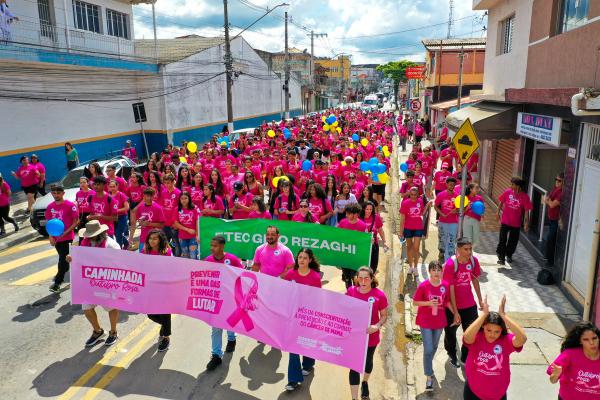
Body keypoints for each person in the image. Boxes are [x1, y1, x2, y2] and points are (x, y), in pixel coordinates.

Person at [68, 220, 121, 347]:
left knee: (111, 307)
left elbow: (119, 263)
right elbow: (76, 256)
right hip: (89, 282)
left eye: (92, 235)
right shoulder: (84, 243)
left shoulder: (111, 246)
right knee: (87, 308)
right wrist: (70, 258)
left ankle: (113, 332)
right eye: (88, 235)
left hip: (106, 282)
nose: (89, 238)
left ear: (100, 233)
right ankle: (98, 331)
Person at [463, 295, 527, 400]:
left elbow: (522, 338)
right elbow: (466, 337)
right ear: (483, 326)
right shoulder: (477, 337)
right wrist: (483, 315)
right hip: (473, 392)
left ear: (502, 330)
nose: (492, 335)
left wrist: (503, 315)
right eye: (489, 330)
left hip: (497, 394)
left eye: (497, 331)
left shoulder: (506, 341)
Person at [347, 267, 388, 400]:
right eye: (360, 278)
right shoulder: (351, 291)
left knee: (367, 362)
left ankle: (365, 381)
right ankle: (354, 398)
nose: (363, 281)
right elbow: (342, 307)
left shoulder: (379, 295)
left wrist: (377, 326)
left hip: (371, 336)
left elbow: (384, 316)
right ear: (357, 279)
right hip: (354, 336)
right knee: (354, 366)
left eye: (366, 278)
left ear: (371, 279)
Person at [284, 248, 323, 391]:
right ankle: (293, 379)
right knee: (292, 347)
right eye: (299, 257)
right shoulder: (290, 275)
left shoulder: (314, 277)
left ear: (310, 260)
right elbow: (285, 295)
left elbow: (317, 298)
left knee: (306, 343)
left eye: (305, 258)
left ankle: (308, 363)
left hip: (308, 317)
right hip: (293, 317)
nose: (301, 260)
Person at [204, 235, 244, 371]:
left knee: (229, 321)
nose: (212, 248)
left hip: (231, 299)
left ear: (222, 246)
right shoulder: (208, 260)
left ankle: (232, 338)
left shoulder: (232, 260)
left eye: (215, 246)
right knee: (216, 327)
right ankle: (216, 355)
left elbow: (242, 276)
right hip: (215, 299)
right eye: (211, 245)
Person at [443, 238, 483, 368]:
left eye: (470, 249)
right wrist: (455, 312)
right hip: (451, 306)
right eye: (466, 249)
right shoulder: (450, 264)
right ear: (458, 250)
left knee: (472, 333)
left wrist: (480, 300)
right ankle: (452, 354)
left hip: (469, 304)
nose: (469, 252)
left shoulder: (473, 261)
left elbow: (475, 279)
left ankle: (465, 357)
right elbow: (451, 289)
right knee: (450, 334)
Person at [413, 261, 452, 392]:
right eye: (433, 270)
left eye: (438, 270)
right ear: (429, 272)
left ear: (442, 272)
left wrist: (455, 313)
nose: (436, 272)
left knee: (434, 347)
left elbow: (446, 302)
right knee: (428, 349)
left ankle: (428, 362)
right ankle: (429, 377)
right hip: (425, 321)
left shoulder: (445, 285)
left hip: (439, 321)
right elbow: (415, 302)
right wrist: (428, 303)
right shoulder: (424, 286)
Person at [548, 321, 600, 400]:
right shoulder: (569, 354)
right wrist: (556, 374)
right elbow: (553, 380)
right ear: (580, 341)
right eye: (586, 339)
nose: (592, 343)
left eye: (594, 338)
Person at [45, 184, 80, 292]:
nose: (56, 195)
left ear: (63, 193)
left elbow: (76, 221)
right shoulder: (50, 207)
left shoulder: (70, 205)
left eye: (58, 193)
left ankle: (57, 283)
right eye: (54, 193)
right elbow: (49, 223)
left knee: (62, 260)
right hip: (56, 239)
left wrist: (65, 233)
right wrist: (50, 236)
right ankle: (76, 275)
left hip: (67, 238)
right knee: (64, 260)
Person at [142, 229, 173, 352]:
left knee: (165, 313)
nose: (151, 241)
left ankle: (166, 337)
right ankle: (165, 326)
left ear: (160, 240)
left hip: (164, 288)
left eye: (155, 238)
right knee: (151, 314)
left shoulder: (167, 252)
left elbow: (172, 268)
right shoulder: (145, 251)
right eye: (150, 238)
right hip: (151, 287)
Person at [496, 177, 532, 265]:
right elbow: (501, 202)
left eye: (513, 184)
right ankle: (501, 257)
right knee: (502, 239)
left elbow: (527, 211)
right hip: (505, 221)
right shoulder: (508, 192)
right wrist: (497, 213)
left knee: (513, 241)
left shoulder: (525, 197)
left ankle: (509, 255)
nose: (511, 186)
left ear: (518, 186)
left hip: (516, 223)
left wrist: (526, 223)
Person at [399, 186, 431, 275]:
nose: (413, 196)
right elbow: (402, 218)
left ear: (418, 195)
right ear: (409, 194)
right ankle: (410, 266)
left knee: (416, 248)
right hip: (408, 228)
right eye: (412, 194)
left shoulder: (420, 201)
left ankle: (416, 267)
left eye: (415, 195)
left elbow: (422, 213)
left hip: (418, 227)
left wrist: (427, 206)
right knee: (409, 247)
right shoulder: (405, 203)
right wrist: (401, 232)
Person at [337, 203, 367, 288]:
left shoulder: (362, 225)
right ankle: (349, 293)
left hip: (356, 258)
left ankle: (356, 294)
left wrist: (369, 241)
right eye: (346, 213)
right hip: (345, 256)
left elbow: (366, 241)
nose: (346, 215)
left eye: (348, 213)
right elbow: (336, 236)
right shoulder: (342, 223)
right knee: (347, 278)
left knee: (355, 277)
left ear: (355, 214)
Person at [129, 187, 165, 252]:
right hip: (143, 238)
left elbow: (162, 225)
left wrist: (149, 224)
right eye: (147, 196)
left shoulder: (158, 208)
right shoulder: (140, 207)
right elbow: (138, 221)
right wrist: (140, 223)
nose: (149, 198)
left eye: (150, 196)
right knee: (142, 259)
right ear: (144, 196)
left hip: (155, 240)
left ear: (153, 196)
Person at [434, 177, 459, 262]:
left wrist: (457, 210)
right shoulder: (441, 195)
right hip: (443, 222)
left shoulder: (457, 196)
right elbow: (435, 206)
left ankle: (450, 258)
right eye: (450, 184)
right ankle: (441, 253)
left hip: (454, 223)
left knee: (451, 239)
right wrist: (441, 214)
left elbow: (460, 209)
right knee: (442, 238)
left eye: (453, 185)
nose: (452, 186)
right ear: (446, 184)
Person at [361, 201, 386, 273]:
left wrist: (384, 240)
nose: (369, 211)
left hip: (374, 244)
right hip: (362, 245)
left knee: (373, 264)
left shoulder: (376, 217)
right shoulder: (359, 217)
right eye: (367, 209)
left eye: (370, 209)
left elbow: (380, 230)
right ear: (363, 209)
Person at [544, 173, 563, 267]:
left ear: (563, 182)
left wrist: (549, 201)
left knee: (551, 239)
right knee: (550, 239)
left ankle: (550, 261)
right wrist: (549, 201)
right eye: (556, 179)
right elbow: (546, 199)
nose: (556, 181)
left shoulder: (561, 193)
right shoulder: (555, 189)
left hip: (556, 220)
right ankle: (547, 258)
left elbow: (551, 204)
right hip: (551, 219)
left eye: (559, 180)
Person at [160, 174, 181, 257]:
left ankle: (177, 260)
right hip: (165, 223)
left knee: (177, 244)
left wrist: (177, 223)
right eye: (165, 183)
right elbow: (162, 207)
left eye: (169, 183)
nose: (167, 185)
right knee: (165, 244)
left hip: (174, 224)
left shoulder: (178, 193)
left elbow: (180, 209)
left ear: (173, 182)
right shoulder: (163, 192)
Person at [173, 191, 199, 259]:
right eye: (182, 198)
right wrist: (187, 230)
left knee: (193, 256)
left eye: (185, 198)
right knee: (185, 255)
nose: (184, 200)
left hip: (193, 236)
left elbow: (197, 221)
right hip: (182, 237)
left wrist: (197, 235)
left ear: (189, 199)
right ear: (179, 200)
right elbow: (176, 223)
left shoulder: (195, 208)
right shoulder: (177, 209)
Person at [107, 180, 130, 249]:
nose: (112, 188)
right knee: (116, 233)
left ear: (117, 186)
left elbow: (127, 207)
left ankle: (119, 250)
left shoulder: (121, 195)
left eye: (114, 186)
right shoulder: (108, 196)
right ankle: (126, 243)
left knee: (118, 234)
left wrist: (116, 211)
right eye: (111, 187)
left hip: (122, 217)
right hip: (113, 218)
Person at [463, 183, 484, 251]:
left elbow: (482, 208)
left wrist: (482, 216)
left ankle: (470, 250)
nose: (478, 190)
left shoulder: (479, 198)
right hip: (467, 219)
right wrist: (468, 207)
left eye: (478, 188)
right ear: (471, 189)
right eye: (476, 188)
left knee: (476, 239)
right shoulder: (465, 198)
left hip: (476, 220)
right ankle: (468, 253)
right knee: (468, 238)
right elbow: (462, 211)